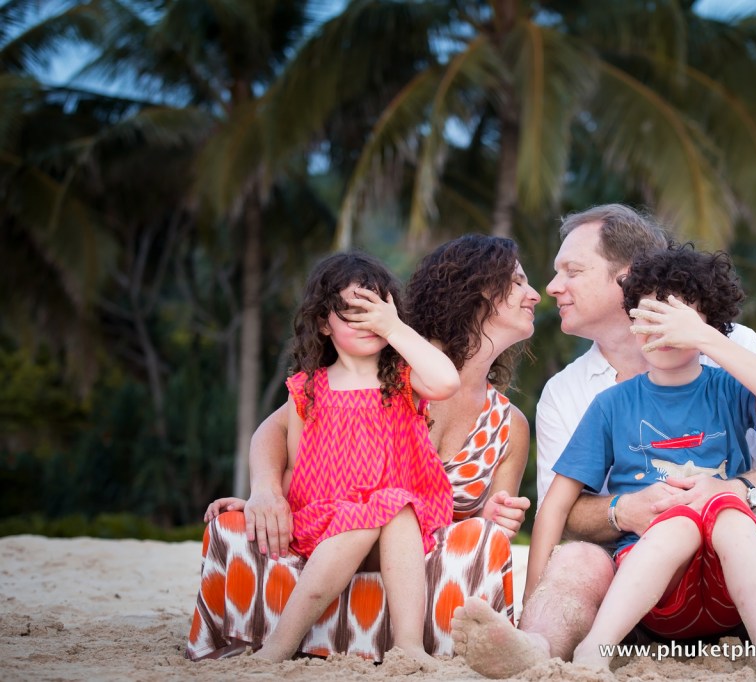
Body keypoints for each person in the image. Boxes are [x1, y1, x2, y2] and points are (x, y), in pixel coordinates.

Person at [451, 204, 756, 677]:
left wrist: (735, 492)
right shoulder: (569, 392)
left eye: (572, 270)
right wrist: (623, 510)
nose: (551, 288)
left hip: (744, 571)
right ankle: (537, 646)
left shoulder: (733, 350)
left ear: (625, 278)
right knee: (576, 564)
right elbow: (561, 511)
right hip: (634, 586)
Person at [186, 235, 539, 662]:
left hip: (408, 526)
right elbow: (283, 438)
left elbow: (486, 518)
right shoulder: (350, 378)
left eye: (375, 313)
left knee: (390, 504)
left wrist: (493, 516)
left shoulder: (413, 377)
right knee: (379, 506)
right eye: (519, 282)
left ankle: (406, 645)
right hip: (332, 517)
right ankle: (282, 642)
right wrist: (265, 490)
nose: (535, 294)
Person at [527, 243, 756, 671]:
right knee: (678, 522)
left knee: (729, 508)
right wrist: (530, 604)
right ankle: (594, 648)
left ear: (707, 325)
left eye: (676, 322)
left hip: (731, 588)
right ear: (631, 321)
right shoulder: (611, 404)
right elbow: (556, 505)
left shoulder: (726, 388)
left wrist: (705, 335)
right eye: (648, 318)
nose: (661, 332)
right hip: (655, 586)